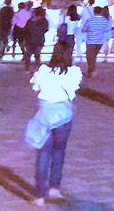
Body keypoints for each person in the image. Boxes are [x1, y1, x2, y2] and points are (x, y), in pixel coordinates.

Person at [29, 41, 81, 207]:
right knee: (59, 152)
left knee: (43, 154)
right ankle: (54, 189)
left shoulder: (44, 70)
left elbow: (35, 87)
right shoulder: (73, 72)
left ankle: (39, 196)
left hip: (44, 115)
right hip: (63, 116)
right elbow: (73, 92)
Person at [80, 6, 113, 78]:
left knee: (89, 57)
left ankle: (91, 71)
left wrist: (90, 30)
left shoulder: (90, 20)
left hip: (91, 41)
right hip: (100, 41)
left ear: (94, 12)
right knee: (94, 56)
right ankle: (92, 70)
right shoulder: (105, 21)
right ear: (101, 12)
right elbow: (107, 29)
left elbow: (84, 29)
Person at [24, 6, 50, 71]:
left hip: (29, 40)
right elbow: (45, 29)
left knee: (28, 55)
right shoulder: (44, 21)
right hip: (39, 40)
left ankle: (27, 69)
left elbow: (26, 30)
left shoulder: (30, 21)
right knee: (37, 55)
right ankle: (37, 69)